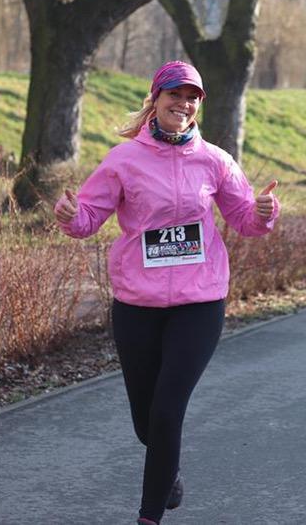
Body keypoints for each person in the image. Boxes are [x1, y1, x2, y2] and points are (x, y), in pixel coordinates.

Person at [53, 61, 280, 525]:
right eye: (175, 94)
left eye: (193, 97)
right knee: (147, 421)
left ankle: (149, 516)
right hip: (137, 304)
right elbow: (88, 219)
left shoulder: (214, 160)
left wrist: (263, 212)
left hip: (200, 303)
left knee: (167, 411)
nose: (184, 103)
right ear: (155, 98)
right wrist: (70, 215)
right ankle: (168, 469)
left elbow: (244, 220)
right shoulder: (123, 160)